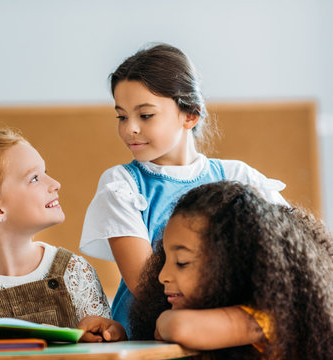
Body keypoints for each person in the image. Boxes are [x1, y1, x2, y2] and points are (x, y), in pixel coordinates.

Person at [79, 43, 288, 332]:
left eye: (146, 115)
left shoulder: (238, 175)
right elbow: (148, 288)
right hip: (149, 340)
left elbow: (289, 252)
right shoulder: (121, 184)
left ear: (190, 115)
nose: (130, 129)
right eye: (122, 116)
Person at [0, 130, 123, 341]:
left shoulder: (75, 272)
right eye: (34, 178)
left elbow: (107, 348)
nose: (55, 184)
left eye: (45, 172)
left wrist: (112, 333)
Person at [129, 181, 333, 359]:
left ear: (234, 265)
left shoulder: (266, 318)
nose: (162, 276)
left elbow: (179, 327)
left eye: (182, 262)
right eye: (165, 259)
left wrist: (164, 321)